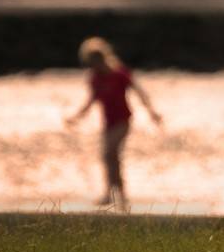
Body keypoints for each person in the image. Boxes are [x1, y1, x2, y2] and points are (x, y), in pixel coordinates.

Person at [65, 37, 162, 210]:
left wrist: (152, 112)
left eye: (95, 63)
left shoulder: (119, 74)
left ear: (102, 59)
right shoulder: (95, 78)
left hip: (123, 120)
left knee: (110, 153)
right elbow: (91, 100)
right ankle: (113, 194)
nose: (93, 67)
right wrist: (77, 117)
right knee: (109, 157)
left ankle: (119, 195)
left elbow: (140, 92)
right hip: (108, 122)